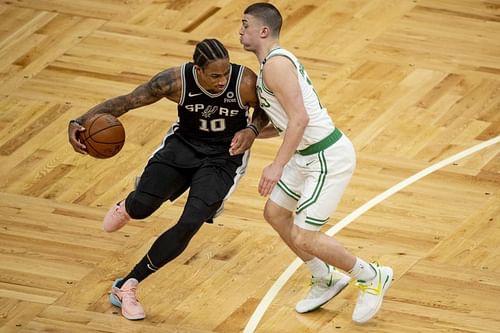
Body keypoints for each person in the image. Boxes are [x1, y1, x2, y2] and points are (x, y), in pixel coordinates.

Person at [68, 38, 269, 320]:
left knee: (190, 222)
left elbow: (265, 110)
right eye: (214, 75)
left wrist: (251, 129)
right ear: (197, 69)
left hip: (224, 156)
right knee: (142, 208)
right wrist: (79, 121)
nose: (222, 80)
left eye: (225, 73)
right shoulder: (174, 81)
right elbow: (128, 101)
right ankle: (129, 205)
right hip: (183, 147)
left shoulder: (244, 81)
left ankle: (128, 285)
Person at [239, 3, 393, 324]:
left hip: (325, 156)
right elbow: (285, 122)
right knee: (276, 214)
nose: (241, 31)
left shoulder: (275, 66)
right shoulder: (272, 63)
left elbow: (300, 119)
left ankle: (371, 275)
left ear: (263, 31)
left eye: (245, 25)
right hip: (305, 154)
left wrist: (276, 166)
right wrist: (254, 133)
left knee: (306, 236)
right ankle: (324, 276)